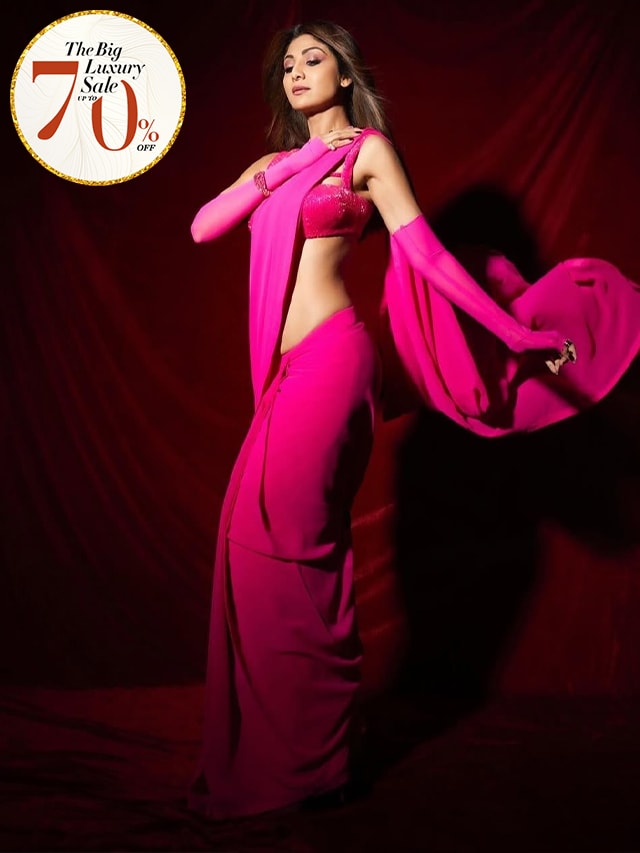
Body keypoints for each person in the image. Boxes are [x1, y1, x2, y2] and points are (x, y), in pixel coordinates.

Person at [187, 20, 640, 819]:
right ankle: (281, 754)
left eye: (313, 59)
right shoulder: (272, 166)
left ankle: (311, 764)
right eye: (287, 64)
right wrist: (274, 172)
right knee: (248, 546)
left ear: (345, 73)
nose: (296, 72)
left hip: (333, 362)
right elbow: (203, 226)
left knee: (295, 545)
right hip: (283, 376)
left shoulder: (368, 154)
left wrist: (515, 335)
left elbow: (427, 255)